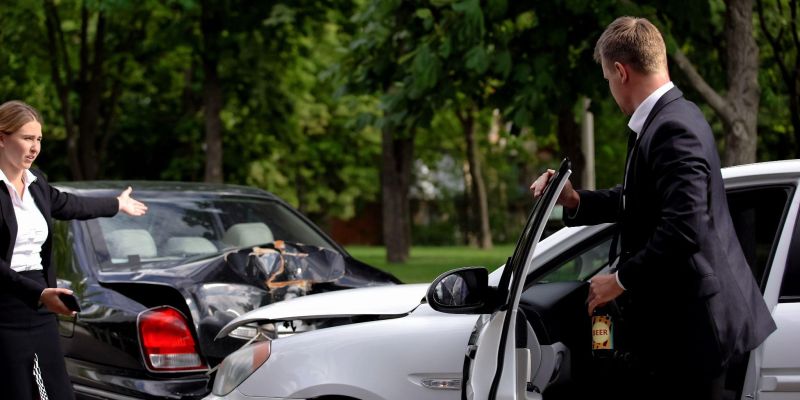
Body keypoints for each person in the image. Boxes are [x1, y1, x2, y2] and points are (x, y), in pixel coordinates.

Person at [530, 17, 776, 400]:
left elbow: (684, 229)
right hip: (683, 331)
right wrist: (577, 201)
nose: (610, 89)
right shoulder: (670, 117)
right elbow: (641, 201)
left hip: (695, 334)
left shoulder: (672, 127)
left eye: (607, 80)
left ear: (620, 71)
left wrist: (619, 279)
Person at [0, 100, 148, 399]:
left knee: (57, 389)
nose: (34, 147)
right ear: (2, 138)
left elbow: (68, 204)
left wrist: (116, 204)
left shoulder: (36, 181)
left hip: (41, 301)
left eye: (38, 139)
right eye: (27, 138)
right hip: (5, 303)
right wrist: (36, 293)